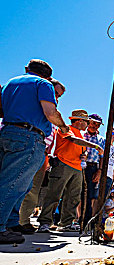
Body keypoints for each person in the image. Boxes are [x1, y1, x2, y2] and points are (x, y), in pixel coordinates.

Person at [0, 59, 69, 244]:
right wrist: (62, 127)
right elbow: (50, 112)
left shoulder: (9, 84)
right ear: (48, 76)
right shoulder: (43, 84)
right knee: (13, 184)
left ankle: (12, 223)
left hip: (8, 132)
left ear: (26, 69)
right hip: (29, 136)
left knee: (19, 183)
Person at [37, 110, 104, 233]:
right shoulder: (66, 129)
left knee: (73, 197)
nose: (87, 124)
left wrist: (83, 155)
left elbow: (80, 148)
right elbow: (73, 140)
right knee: (54, 194)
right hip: (63, 164)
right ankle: (45, 222)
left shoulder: (81, 134)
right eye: (86, 122)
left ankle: (66, 223)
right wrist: (94, 146)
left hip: (77, 167)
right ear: (79, 121)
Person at [15, 79, 66, 235]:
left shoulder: (51, 116)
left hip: (42, 155)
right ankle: (11, 221)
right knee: (16, 184)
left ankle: (22, 222)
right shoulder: (33, 108)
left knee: (32, 189)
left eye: (59, 96)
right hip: (26, 145)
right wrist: (64, 126)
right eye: (56, 93)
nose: (56, 98)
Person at [82, 114, 105, 226]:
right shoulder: (81, 135)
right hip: (79, 165)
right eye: (93, 123)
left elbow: (102, 157)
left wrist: (99, 170)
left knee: (91, 195)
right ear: (88, 123)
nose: (94, 126)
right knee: (77, 192)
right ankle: (75, 219)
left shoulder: (101, 140)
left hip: (93, 167)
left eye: (97, 124)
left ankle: (87, 221)